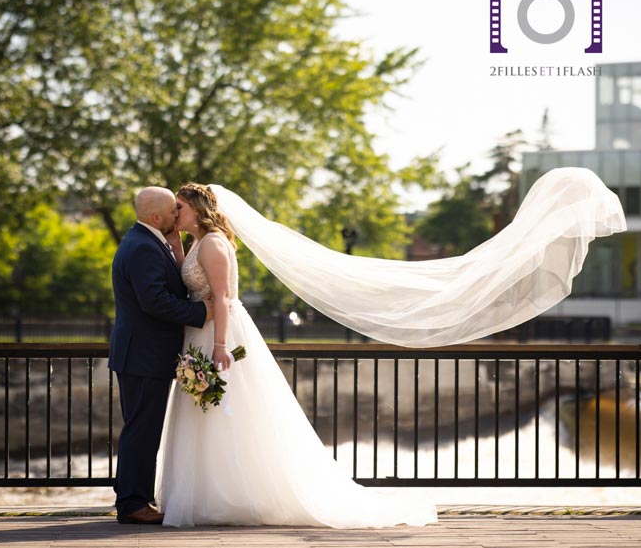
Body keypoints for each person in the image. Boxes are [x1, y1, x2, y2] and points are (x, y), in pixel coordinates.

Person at [156, 183, 437, 528]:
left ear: (197, 210)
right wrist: (175, 246)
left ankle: (229, 496)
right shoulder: (199, 242)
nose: (175, 213)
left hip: (217, 333)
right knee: (205, 414)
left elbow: (223, 298)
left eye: (180, 207)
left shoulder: (213, 243)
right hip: (198, 332)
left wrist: (219, 346)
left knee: (225, 412)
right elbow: (192, 280)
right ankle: (204, 495)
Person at [108, 187, 213, 525]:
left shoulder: (146, 242)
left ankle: (134, 499)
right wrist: (201, 312)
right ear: (156, 217)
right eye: (173, 209)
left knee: (142, 427)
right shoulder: (142, 248)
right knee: (142, 429)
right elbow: (154, 301)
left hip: (143, 353)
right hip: (143, 354)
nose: (177, 214)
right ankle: (132, 503)